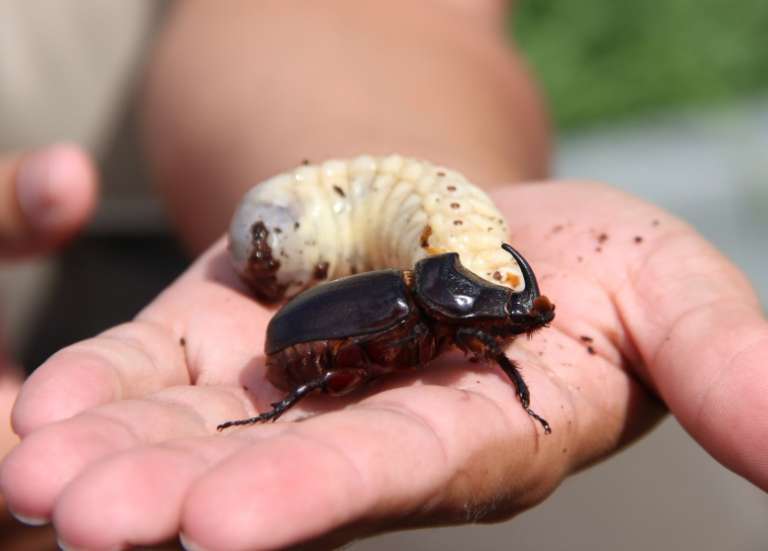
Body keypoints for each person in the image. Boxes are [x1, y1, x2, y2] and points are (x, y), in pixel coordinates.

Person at [1, 2, 767, 549]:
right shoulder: (430, 322)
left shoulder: (438, 304)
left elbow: (378, 18)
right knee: (335, 377)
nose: (510, 325)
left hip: (164, 261)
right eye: (500, 314)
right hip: (282, 336)